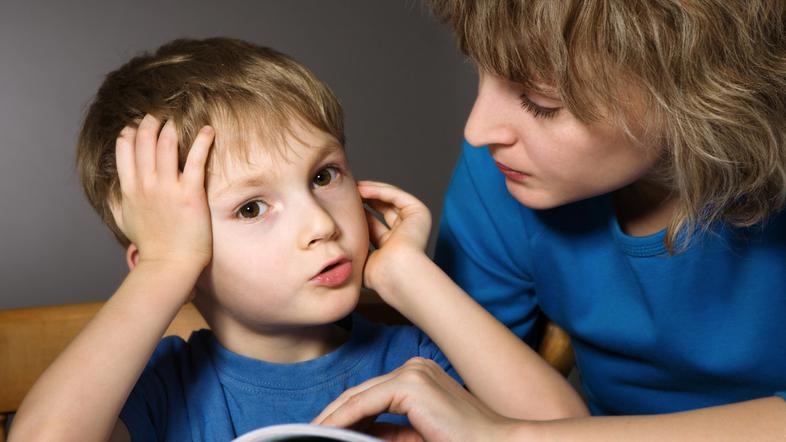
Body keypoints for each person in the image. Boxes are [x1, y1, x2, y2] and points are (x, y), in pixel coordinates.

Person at [9, 37, 586, 441]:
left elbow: (569, 434)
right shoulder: (164, 390)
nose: (321, 223)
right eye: (252, 207)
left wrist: (406, 274)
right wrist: (165, 267)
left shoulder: (414, 362)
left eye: (323, 176)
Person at [315, 0, 786, 439]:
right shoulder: (501, 178)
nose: (477, 131)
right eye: (480, 71)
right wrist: (406, 278)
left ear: (702, 91)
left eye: (541, 101)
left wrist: (518, 438)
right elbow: (465, 389)